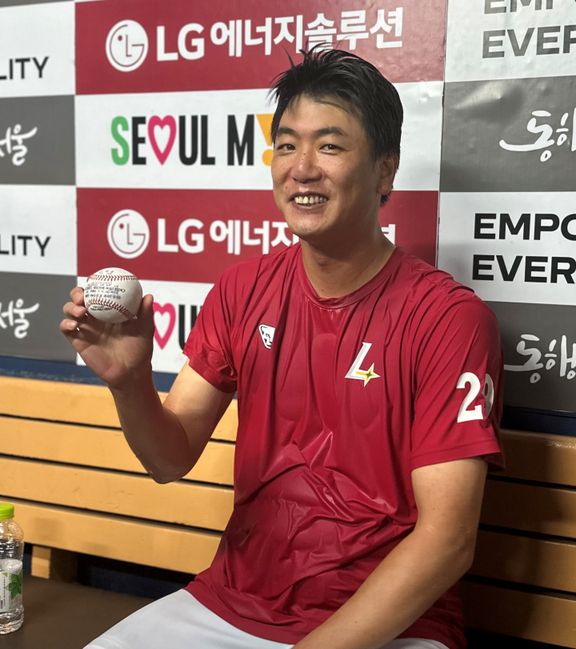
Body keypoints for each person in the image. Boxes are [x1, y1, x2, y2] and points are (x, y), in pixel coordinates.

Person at [61, 48, 503, 649]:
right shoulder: (242, 290)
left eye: (330, 145)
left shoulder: (449, 319)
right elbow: (169, 460)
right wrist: (129, 382)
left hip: (390, 625)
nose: (301, 169)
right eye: (287, 145)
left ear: (385, 171)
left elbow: (447, 541)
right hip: (232, 603)